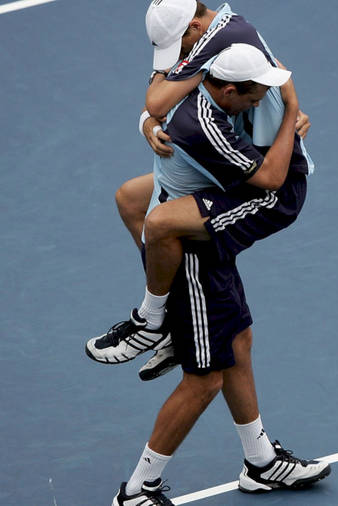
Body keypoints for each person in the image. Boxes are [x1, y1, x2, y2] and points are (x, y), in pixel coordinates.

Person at [109, 44, 330, 505]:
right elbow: (272, 181)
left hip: (205, 237)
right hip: (195, 257)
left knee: (238, 342)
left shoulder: (198, 96)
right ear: (228, 91)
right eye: (254, 99)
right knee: (205, 378)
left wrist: (147, 122)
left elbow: (136, 175)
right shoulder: (204, 125)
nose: (258, 106)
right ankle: (136, 491)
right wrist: (290, 110)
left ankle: (261, 462)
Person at [86, 0, 314, 381]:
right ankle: (171, 315)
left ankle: (152, 319)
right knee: (130, 199)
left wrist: (291, 108)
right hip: (228, 159)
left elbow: (158, 100)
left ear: (194, 27)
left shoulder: (225, 44)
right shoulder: (209, 50)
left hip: (262, 178)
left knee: (162, 224)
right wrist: (148, 124)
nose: (178, 58)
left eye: (180, 47)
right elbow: (158, 104)